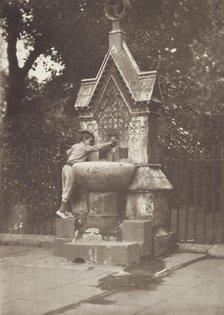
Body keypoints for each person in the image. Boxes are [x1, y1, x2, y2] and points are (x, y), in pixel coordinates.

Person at [56, 130, 117, 219]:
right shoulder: (85, 147)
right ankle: (61, 210)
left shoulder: (75, 146)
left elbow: (67, 152)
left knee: (65, 189)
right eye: (90, 141)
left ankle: (66, 211)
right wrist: (110, 143)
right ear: (84, 140)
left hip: (65, 167)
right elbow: (97, 147)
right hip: (72, 168)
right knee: (68, 190)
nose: (91, 143)